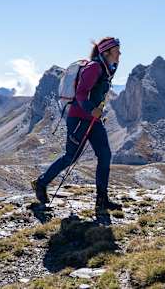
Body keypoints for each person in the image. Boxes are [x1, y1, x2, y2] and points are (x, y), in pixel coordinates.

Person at [32, 37, 122, 213]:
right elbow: (81, 94)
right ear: (106, 53)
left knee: (105, 155)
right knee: (70, 157)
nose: (120, 53)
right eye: (117, 50)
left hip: (93, 120)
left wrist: (96, 112)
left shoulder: (107, 68)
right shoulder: (94, 68)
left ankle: (102, 200)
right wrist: (91, 110)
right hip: (79, 119)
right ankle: (41, 183)